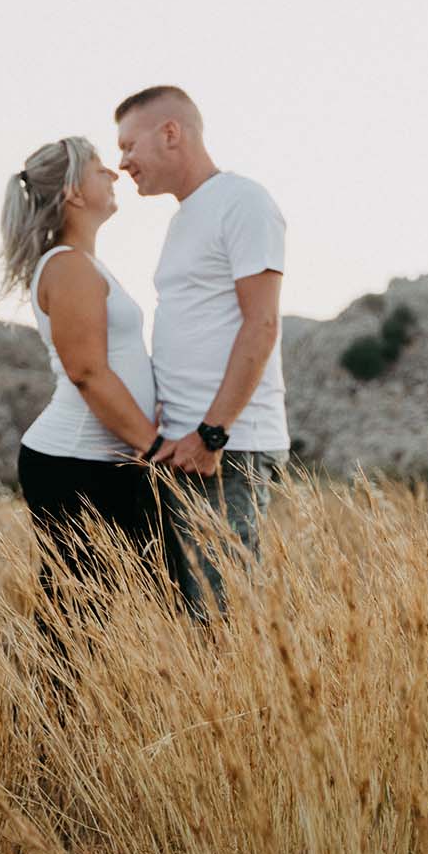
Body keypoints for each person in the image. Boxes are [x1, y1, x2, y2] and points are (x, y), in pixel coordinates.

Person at [115, 86, 288, 616]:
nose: (122, 163)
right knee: (195, 620)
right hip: (187, 446)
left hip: (226, 450)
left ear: (171, 133)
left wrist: (213, 433)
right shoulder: (186, 216)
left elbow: (261, 324)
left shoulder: (242, 201)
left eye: (128, 146)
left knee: (224, 617)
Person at [0, 135, 165, 616]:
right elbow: (88, 373)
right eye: (98, 168)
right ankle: (42, 697)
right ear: (72, 193)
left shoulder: (83, 263)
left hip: (106, 462)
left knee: (115, 615)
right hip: (75, 465)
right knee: (75, 624)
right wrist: (154, 449)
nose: (113, 173)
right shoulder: (68, 266)